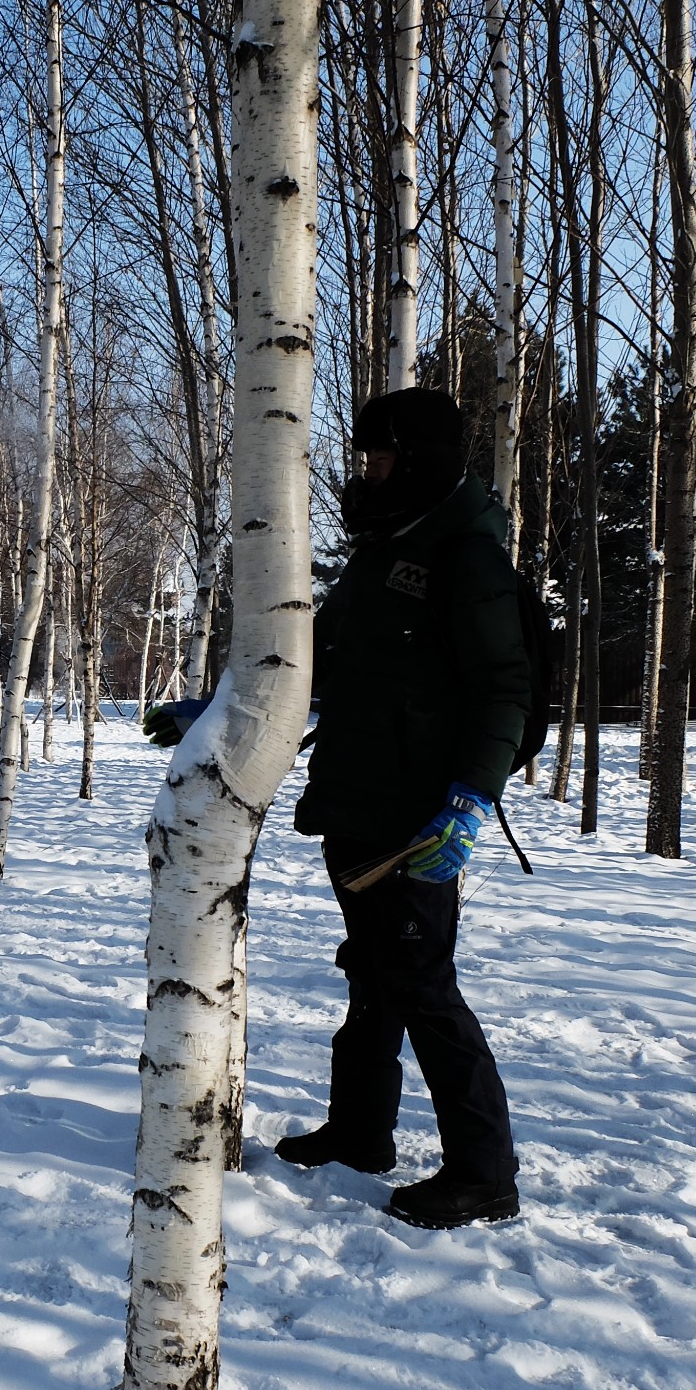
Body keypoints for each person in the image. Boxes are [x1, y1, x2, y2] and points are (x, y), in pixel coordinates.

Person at [147, 386, 528, 1230]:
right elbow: (319, 663)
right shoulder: (381, 550)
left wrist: (470, 799)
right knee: (373, 970)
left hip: (417, 819)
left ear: (420, 460)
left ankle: (484, 1172)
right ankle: (362, 1131)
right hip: (358, 799)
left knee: (423, 983)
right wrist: (219, 708)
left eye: (381, 458)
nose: (368, 473)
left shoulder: (465, 557)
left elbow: (505, 688)